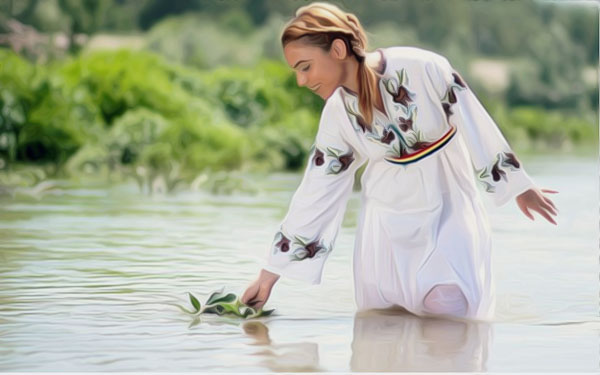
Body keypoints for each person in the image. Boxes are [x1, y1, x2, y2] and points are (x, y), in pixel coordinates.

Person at [241, 2, 558, 320]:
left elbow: (473, 119)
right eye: (297, 70)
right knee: (383, 330)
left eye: (305, 66)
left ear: (337, 49)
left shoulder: (422, 67)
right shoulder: (338, 113)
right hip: (386, 229)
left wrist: (518, 185)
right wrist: (269, 275)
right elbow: (316, 191)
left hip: (448, 210)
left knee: (451, 314)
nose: (301, 80)